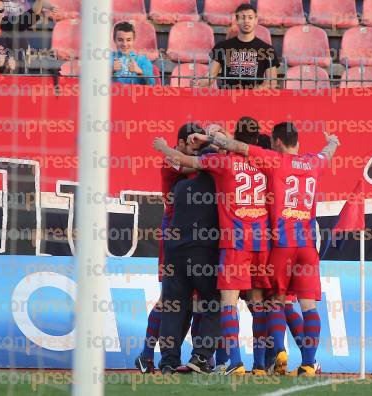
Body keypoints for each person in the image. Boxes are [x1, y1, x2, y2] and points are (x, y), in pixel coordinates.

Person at [187, 122, 340, 377]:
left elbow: (235, 147)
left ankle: (274, 350)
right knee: (308, 306)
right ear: (298, 141)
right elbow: (328, 153)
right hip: (308, 244)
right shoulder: (314, 162)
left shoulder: (274, 159)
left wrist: (207, 137)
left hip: (280, 242)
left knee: (275, 302)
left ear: (277, 142)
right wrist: (334, 141)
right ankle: (308, 364)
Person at [153, 122, 272, 376]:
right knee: (215, 303)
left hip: (175, 248)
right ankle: (202, 357)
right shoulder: (223, 173)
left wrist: (163, 147)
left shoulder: (182, 179)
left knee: (174, 305)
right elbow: (229, 150)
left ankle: (167, 361)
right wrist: (215, 139)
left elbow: (181, 161)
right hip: (207, 250)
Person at [134, 124, 204, 373]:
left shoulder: (188, 157)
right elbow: (191, 165)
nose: (198, 150)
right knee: (170, 300)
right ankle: (146, 354)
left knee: (194, 299)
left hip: (194, 237)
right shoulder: (171, 161)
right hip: (173, 233)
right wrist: (163, 148)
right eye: (195, 144)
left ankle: (198, 359)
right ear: (182, 143)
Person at [197, 3, 279, 89]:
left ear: (256, 20)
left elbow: (272, 83)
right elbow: (210, 77)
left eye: (250, 18)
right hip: (228, 96)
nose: (246, 21)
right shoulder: (222, 47)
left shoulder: (267, 49)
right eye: (242, 18)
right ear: (236, 21)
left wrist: (256, 91)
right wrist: (197, 83)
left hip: (254, 98)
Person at [0, 0, 46, 73]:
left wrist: (10, 64)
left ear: (3, 13)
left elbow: (31, 15)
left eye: (0, 11)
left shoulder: (8, 26)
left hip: (5, 81)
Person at [111, 21, 156, 86]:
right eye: (120, 40)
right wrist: (111, 71)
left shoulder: (143, 60)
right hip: (112, 95)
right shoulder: (107, 59)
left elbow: (152, 85)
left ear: (133, 40)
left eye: (128, 40)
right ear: (114, 40)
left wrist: (140, 72)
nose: (124, 44)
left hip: (136, 95)